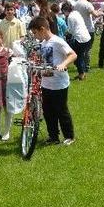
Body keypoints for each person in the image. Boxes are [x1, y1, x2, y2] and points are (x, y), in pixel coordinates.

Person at [28, 16, 78, 146]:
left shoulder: (57, 41)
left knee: (61, 110)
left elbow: (73, 54)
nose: (35, 36)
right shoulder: (43, 43)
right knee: (48, 111)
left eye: (35, 33)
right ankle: (53, 136)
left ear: (42, 29)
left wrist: (64, 64)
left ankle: (69, 136)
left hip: (59, 83)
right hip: (46, 83)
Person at [73, 0, 103, 74]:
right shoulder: (87, 4)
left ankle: (80, 65)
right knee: (87, 50)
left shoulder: (76, 3)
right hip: (88, 29)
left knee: (79, 50)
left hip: (78, 29)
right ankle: (86, 67)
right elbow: (95, 15)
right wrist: (101, 13)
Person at [62, 1, 91, 81]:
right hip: (86, 37)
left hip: (80, 39)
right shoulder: (76, 13)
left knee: (77, 57)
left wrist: (65, 32)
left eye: (63, 12)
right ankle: (82, 72)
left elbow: (70, 30)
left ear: (65, 10)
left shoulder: (70, 17)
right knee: (80, 56)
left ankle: (81, 74)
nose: (64, 14)